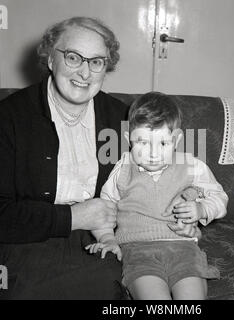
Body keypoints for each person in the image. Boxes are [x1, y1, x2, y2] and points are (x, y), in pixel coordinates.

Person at [0, 16, 130, 300]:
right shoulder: (9, 117)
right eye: (73, 57)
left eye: (96, 62)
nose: (85, 73)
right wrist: (72, 217)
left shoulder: (121, 118)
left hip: (103, 238)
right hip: (29, 240)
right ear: (50, 59)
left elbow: (149, 180)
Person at [86, 92, 228, 300]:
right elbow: (102, 209)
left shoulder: (191, 165)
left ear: (177, 139)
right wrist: (107, 238)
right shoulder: (123, 168)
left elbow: (219, 197)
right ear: (129, 139)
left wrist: (201, 209)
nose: (153, 153)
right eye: (142, 143)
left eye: (163, 144)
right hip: (137, 252)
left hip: (184, 248)